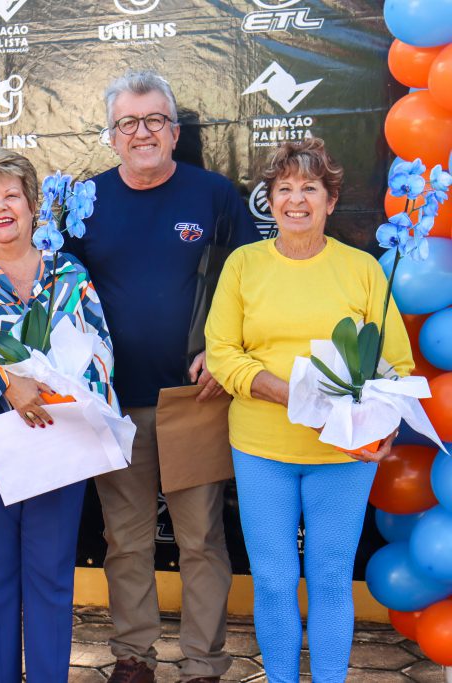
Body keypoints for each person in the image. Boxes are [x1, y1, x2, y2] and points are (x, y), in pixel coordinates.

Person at [63, 69, 262, 683]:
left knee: (202, 541)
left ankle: (204, 664)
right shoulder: (83, 203)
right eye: (128, 122)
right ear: (112, 136)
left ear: (175, 132)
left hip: (193, 398)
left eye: (154, 120)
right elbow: (58, 298)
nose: (142, 132)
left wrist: (223, 350)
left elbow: (250, 283)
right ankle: (133, 658)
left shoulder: (214, 195)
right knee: (125, 543)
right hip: (113, 405)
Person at [204, 138, 412, 682]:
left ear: (331, 200)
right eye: (284, 189)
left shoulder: (362, 269)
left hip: (343, 452)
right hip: (261, 449)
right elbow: (222, 352)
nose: (296, 200)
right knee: (273, 580)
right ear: (269, 200)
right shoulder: (244, 265)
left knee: (329, 578)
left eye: (310, 189)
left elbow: (397, 364)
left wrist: (384, 422)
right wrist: (280, 390)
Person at [0, 149, 117, 682]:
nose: (0, 207)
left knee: (51, 581)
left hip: (59, 447)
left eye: (11, 195)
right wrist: (11, 386)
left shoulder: (68, 271)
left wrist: (68, 390)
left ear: (35, 205)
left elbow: (100, 343)